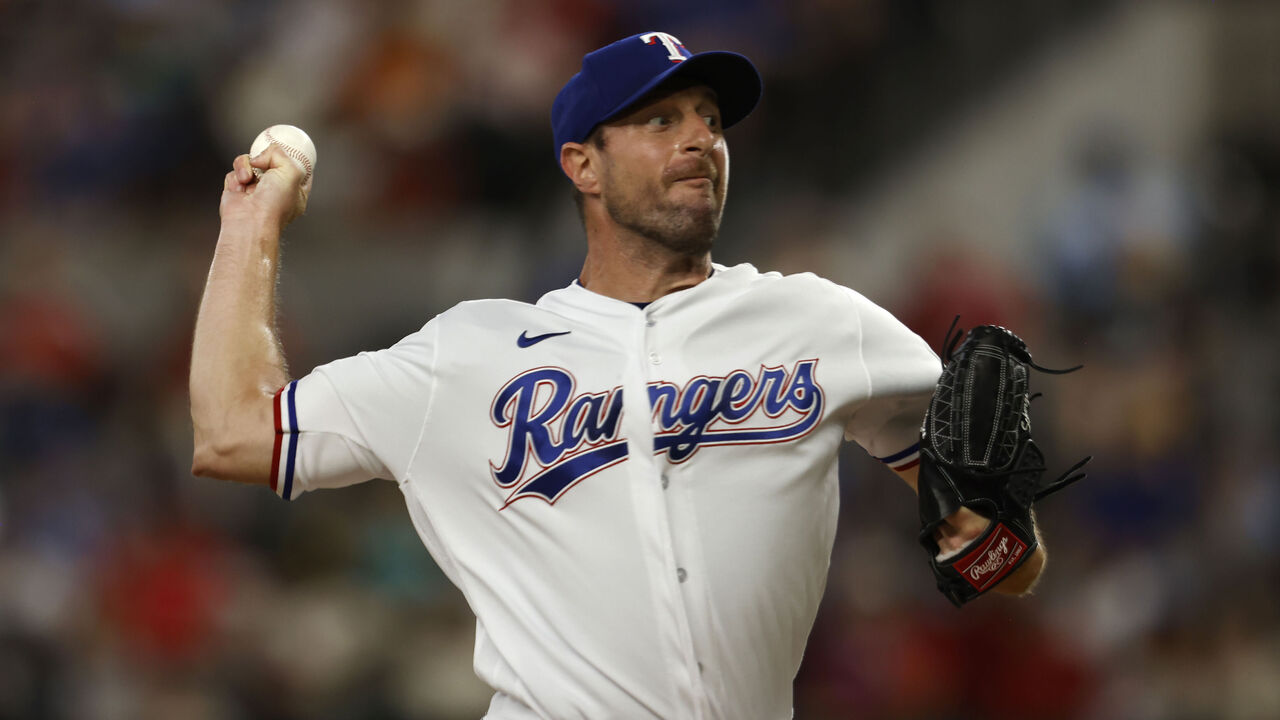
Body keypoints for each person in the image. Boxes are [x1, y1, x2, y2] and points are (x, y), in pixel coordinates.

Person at [191, 31, 1046, 719]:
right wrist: (252, 220)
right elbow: (233, 430)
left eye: (709, 117)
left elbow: (1012, 565)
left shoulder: (820, 323)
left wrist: (987, 544)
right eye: (661, 120)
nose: (700, 139)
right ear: (582, 164)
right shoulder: (470, 355)